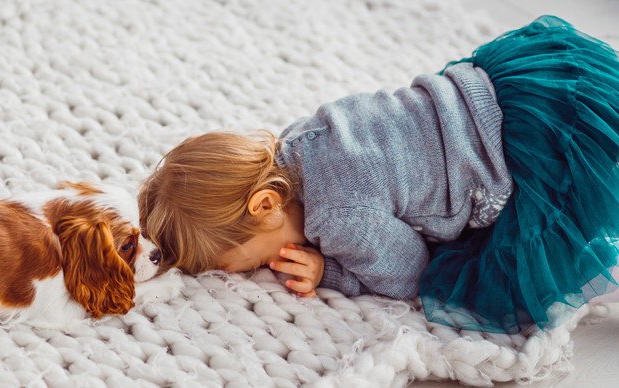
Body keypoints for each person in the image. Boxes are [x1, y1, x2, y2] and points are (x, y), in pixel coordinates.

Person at [138, 16, 619, 333]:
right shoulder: (300, 138)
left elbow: (410, 271)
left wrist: (332, 272)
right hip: (518, 89)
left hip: (521, 158)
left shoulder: (338, 216)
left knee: (553, 256)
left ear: (265, 205)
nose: (257, 269)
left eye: (239, 262)